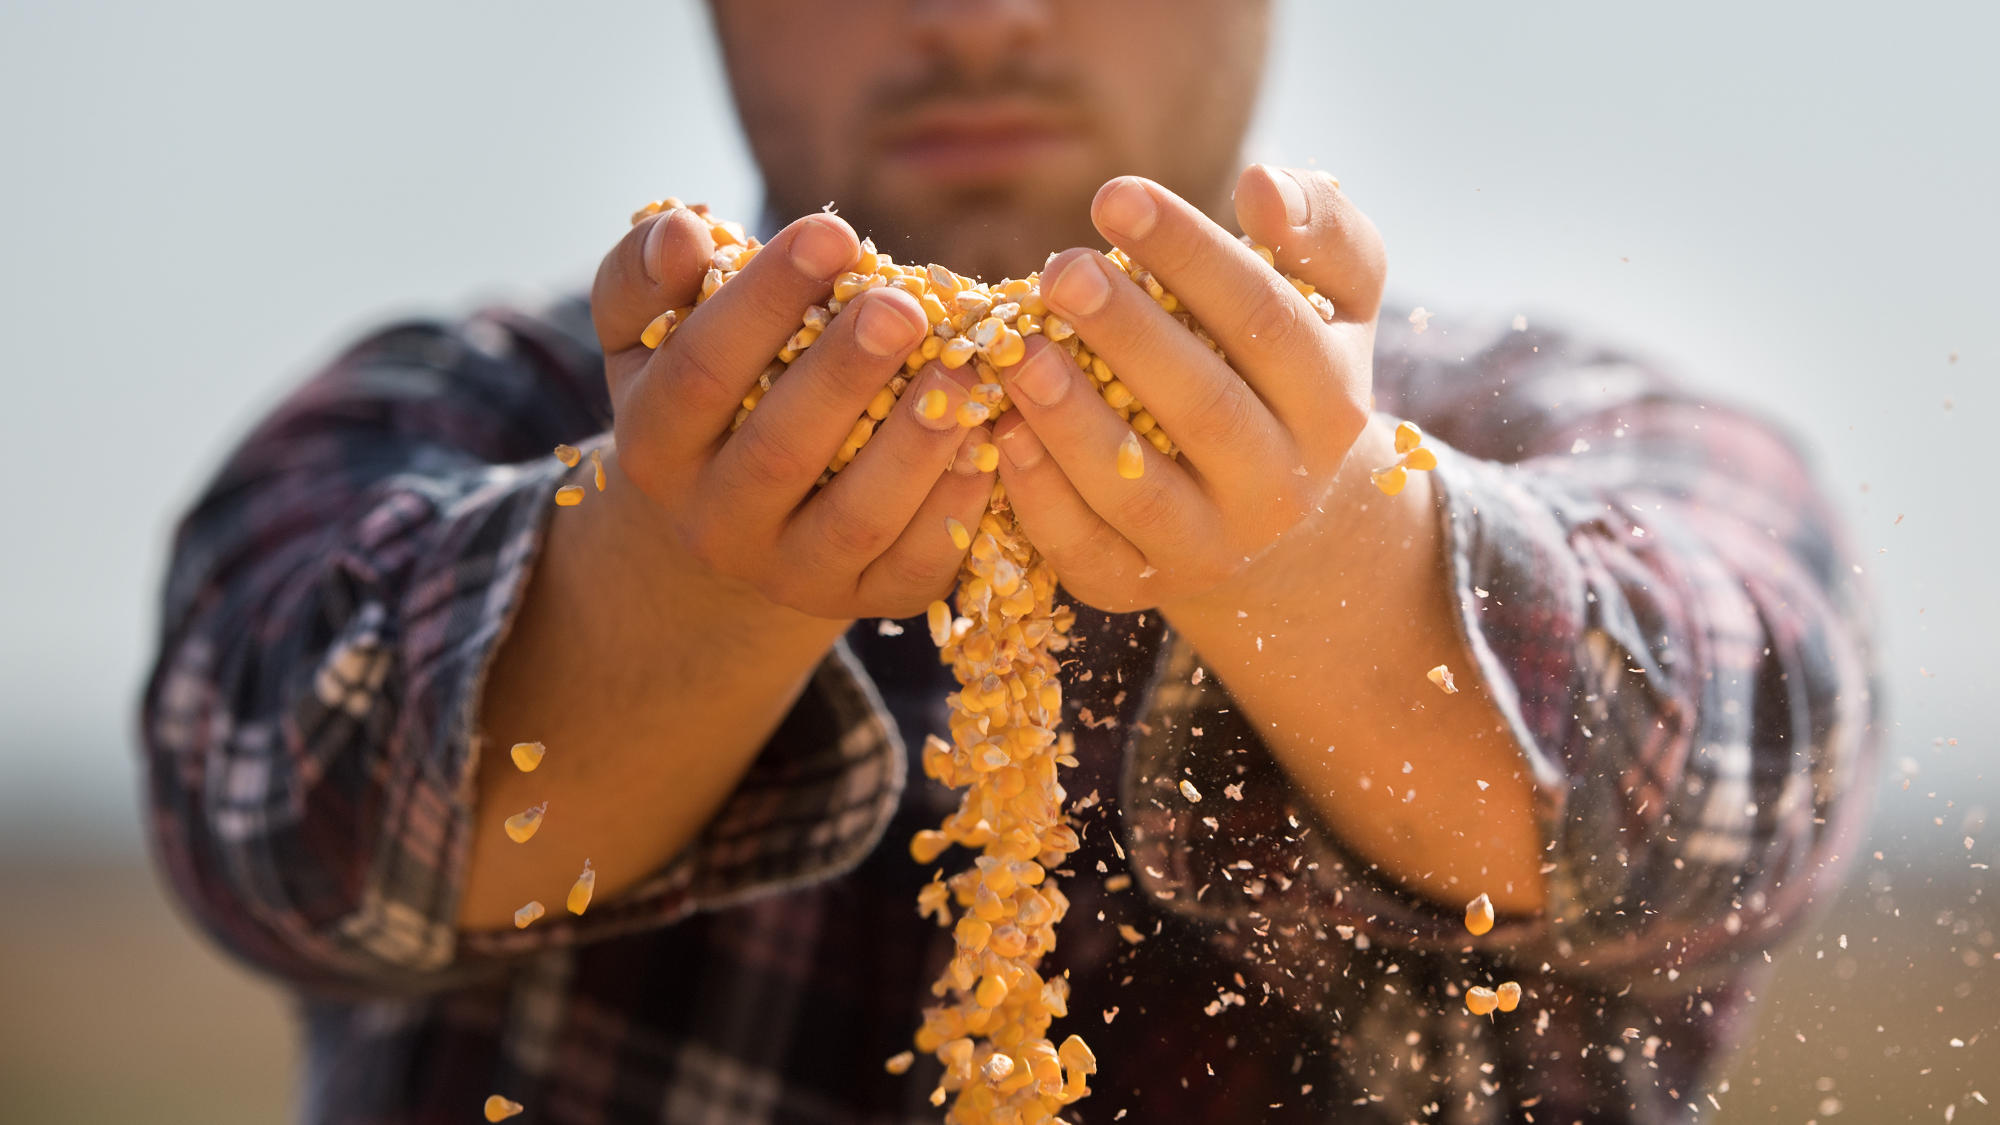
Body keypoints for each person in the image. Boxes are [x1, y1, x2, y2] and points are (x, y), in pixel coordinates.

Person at [140, 1, 1878, 1121]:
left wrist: (1335, 554)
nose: (977, 20)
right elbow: (281, 814)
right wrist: (679, 577)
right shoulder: (469, 412)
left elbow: (1729, 771)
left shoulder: (1553, 422)